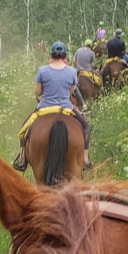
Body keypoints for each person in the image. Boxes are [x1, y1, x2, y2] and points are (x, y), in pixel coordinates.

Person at [13, 41, 93, 171]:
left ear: (51, 55)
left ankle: (22, 158)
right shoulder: (72, 72)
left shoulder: (42, 70)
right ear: (65, 55)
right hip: (67, 107)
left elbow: (38, 92)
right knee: (85, 127)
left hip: (44, 107)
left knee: (23, 129)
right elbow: (71, 92)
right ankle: (85, 158)